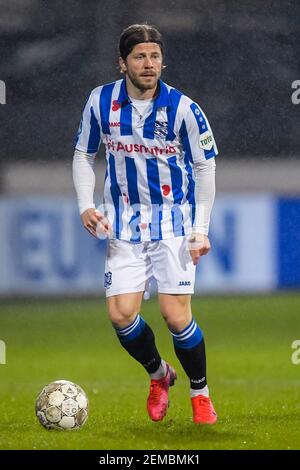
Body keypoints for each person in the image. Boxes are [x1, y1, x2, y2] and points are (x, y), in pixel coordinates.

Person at [73, 24, 218, 424]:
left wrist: (200, 228)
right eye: (139, 56)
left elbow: (205, 169)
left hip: (174, 222)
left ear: (162, 61)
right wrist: (86, 204)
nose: (149, 64)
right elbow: (84, 155)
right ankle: (159, 375)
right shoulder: (100, 102)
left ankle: (200, 392)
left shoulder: (184, 108)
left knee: (176, 316)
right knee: (121, 314)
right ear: (123, 63)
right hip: (122, 223)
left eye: (154, 56)